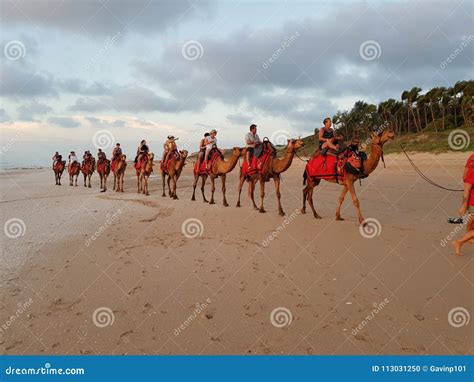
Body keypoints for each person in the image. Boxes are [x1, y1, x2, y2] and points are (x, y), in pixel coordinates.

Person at [453, 153, 474, 256]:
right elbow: (466, 192)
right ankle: (459, 242)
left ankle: (460, 242)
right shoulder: (472, 173)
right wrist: (463, 206)